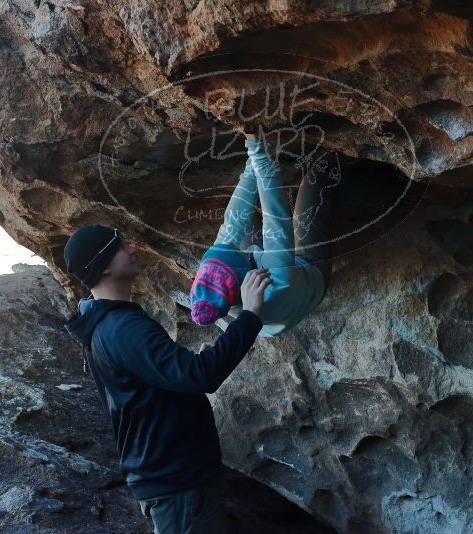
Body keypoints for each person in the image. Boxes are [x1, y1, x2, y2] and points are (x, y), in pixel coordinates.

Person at [63, 224, 271, 533]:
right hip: (178, 485)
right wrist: (250, 314)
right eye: (120, 247)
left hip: (173, 480)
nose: (131, 249)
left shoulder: (109, 324)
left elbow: (157, 383)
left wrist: (186, 369)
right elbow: (202, 376)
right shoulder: (121, 328)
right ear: (103, 266)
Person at [189, 131, 341, 335]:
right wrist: (261, 154)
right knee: (317, 177)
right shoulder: (274, 281)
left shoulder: (218, 293)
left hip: (271, 284)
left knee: (244, 220)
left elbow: (232, 224)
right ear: (245, 274)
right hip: (308, 273)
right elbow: (275, 220)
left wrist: (253, 152)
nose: (235, 247)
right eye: (238, 254)